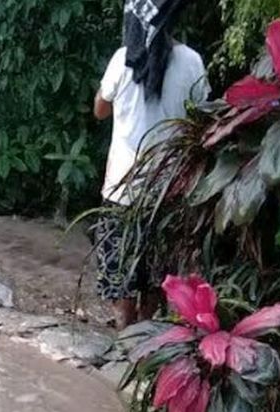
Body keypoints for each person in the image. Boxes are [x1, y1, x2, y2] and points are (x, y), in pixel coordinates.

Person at [92, 0, 210, 330]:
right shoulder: (192, 62)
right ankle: (146, 332)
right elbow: (202, 118)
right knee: (157, 271)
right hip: (168, 191)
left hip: (122, 189)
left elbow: (100, 110)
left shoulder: (122, 60)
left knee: (120, 267)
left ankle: (124, 330)